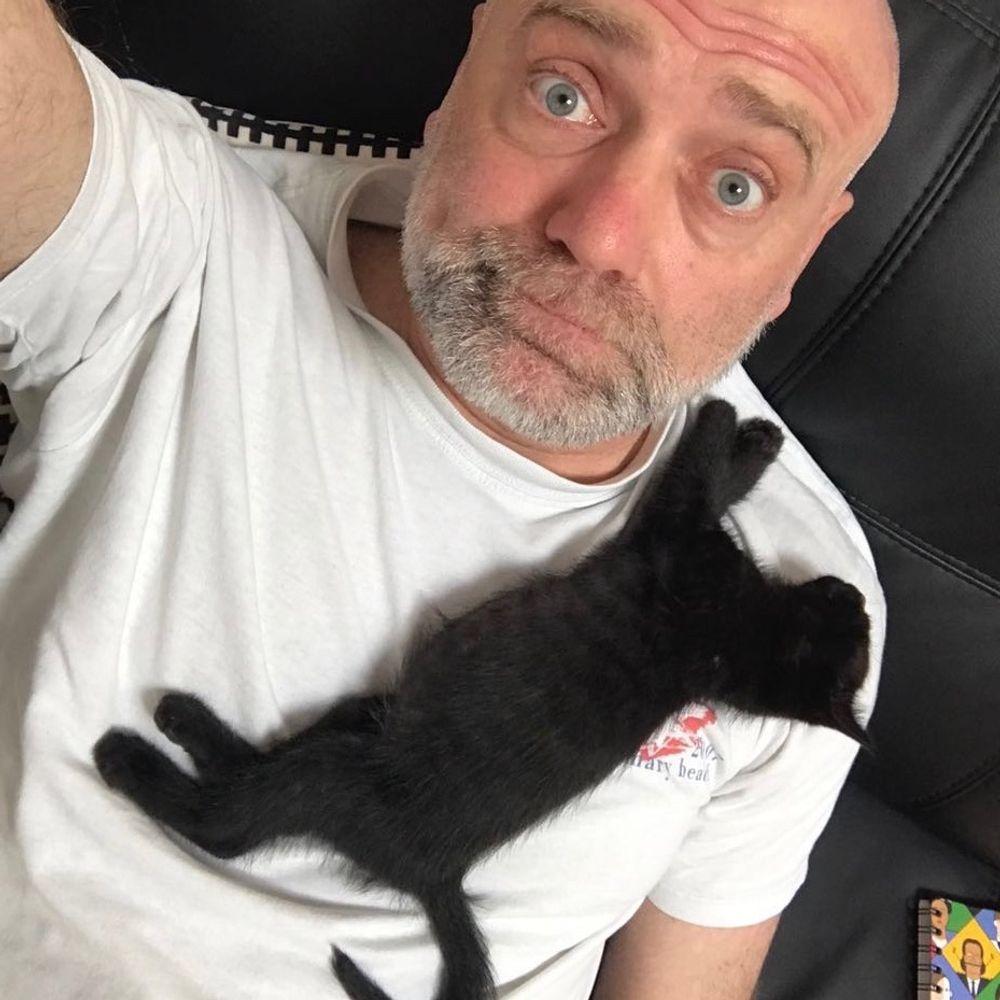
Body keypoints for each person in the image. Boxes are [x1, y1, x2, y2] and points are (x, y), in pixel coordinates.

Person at [0, 0, 898, 997]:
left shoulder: (809, 574)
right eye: (565, 95)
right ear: (466, 70)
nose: (600, 235)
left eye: (737, 185)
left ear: (799, 254)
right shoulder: (172, 237)